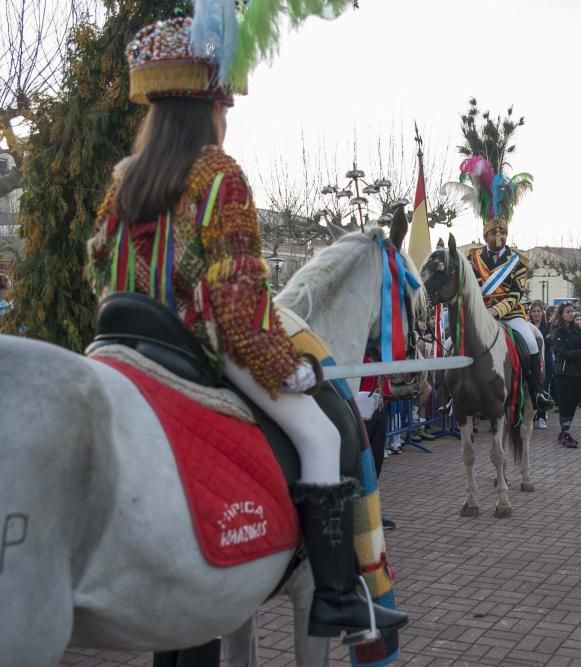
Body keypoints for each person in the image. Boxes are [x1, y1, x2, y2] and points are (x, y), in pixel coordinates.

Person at [84, 16, 405, 639]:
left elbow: (100, 262)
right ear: (210, 107)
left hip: (118, 342)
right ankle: (338, 598)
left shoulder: (124, 178)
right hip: (195, 343)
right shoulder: (215, 174)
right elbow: (237, 298)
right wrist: (288, 366)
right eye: (225, 105)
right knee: (321, 432)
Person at [465, 212, 553, 414]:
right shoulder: (474, 257)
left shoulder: (518, 261)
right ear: (485, 235)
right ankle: (455, 393)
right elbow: (472, 286)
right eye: (494, 233)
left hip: (510, 313)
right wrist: (480, 310)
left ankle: (536, 390)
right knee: (454, 341)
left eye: (503, 233)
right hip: (481, 312)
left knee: (531, 342)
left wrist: (496, 311)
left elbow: (516, 293)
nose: (499, 237)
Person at [549, 302, 581, 448]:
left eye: (572, 311)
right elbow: (561, 352)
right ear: (561, 314)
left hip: (579, 372)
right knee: (566, 403)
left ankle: (565, 430)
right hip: (565, 373)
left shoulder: (576, 329)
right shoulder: (558, 331)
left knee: (574, 402)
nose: (571, 314)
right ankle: (566, 433)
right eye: (568, 312)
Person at [528, 301, 552, 429]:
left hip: (545, 362)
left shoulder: (548, 326)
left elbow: (548, 343)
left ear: (542, 313)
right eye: (534, 311)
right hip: (532, 364)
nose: (536, 314)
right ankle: (532, 415)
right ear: (530, 313)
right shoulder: (527, 326)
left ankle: (542, 417)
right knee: (532, 389)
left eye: (538, 311)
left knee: (543, 388)